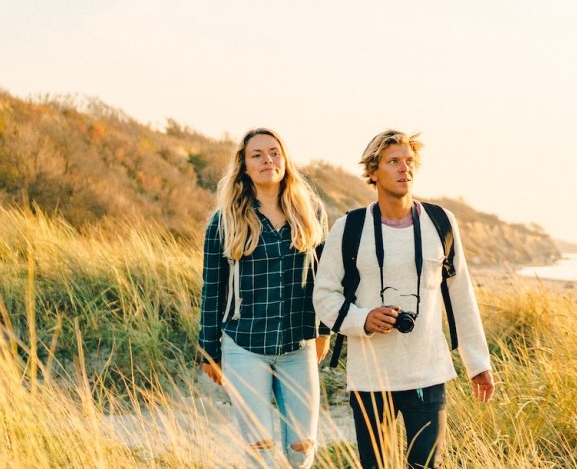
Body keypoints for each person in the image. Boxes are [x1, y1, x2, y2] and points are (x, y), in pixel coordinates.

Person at [314, 129, 493, 469]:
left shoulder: (441, 222)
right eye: (393, 161)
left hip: (427, 373)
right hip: (370, 377)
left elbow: (461, 294)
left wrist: (478, 363)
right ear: (372, 172)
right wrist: (362, 319)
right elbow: (323, 295)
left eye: (409, 161)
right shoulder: (349, 228)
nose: (404, 169)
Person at [196, 128, 329, 468]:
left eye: (274, 152)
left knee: (302, 448)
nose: (267, 159)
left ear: (285, 160)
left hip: (298, 346)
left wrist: (325, 331)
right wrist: (210, 352)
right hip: (244, 348)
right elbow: (212, 291)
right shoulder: (224, 221)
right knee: (261, 451)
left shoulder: (310, 211)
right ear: (243, 164)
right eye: (257, 154)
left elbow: (327, 280)